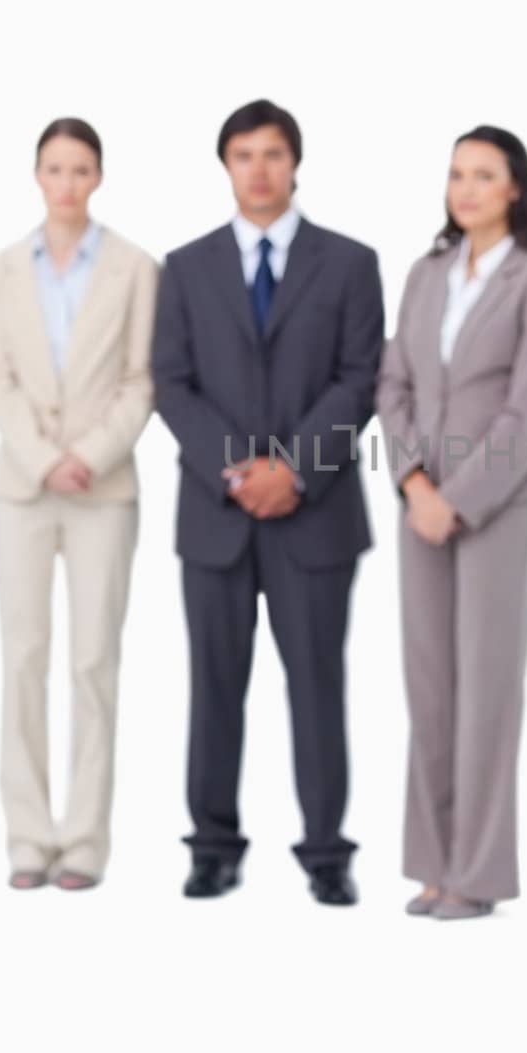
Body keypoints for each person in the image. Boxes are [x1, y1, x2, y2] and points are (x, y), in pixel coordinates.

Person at [153, 99, 383, 904]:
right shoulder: (183, 268)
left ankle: (327, 852)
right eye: (244, 154)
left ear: (295, 163)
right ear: (226, 165)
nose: (259, 168)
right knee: (213, 685)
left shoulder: (349, 263)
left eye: (273, 153)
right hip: (213, 517)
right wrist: (236, 468)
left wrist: (292, 471)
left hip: (314, 516)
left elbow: (360, 379)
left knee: (317, 684)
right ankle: (212, 845)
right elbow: (171, 384)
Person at [377, 125, 527, 920]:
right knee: (429, 685)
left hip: (492, 505)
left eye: (483, 175)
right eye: (457, 174)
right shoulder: (425, 275)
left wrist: (457, 496)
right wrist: (416, 483)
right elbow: (393, 385)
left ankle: (478, 873)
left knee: (486, 686)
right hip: (419, 500)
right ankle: (432, 864)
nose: (465, 188)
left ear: (513, 188)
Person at [0, 117, 159, 891]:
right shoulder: (2, 269)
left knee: (93, 662)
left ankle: (83, 841)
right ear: (36, 176)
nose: (66, 183)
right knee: (23, 657)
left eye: (80, 169)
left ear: (98, 177)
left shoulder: (133, 268)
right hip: (22, 488)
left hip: (103, 486)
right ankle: (28, 836)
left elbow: (140, 379)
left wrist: (85, 457)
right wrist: (42, 457)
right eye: (54, 169)